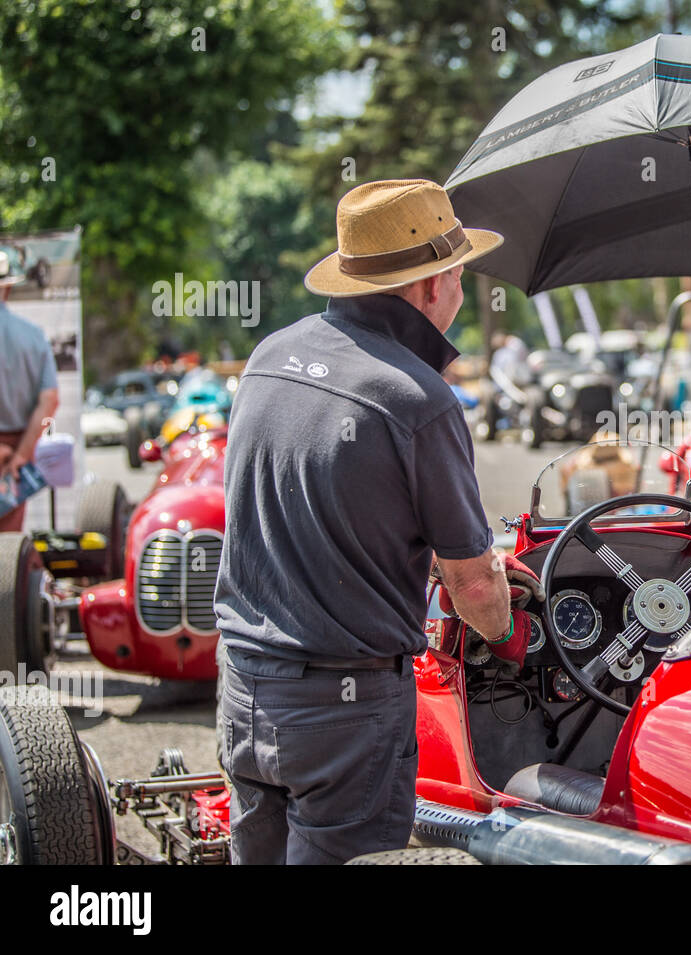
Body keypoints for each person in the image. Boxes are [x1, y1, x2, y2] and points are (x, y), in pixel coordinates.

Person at [214, 179, 538, 864]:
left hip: (244, 684)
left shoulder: (268, 357)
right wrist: (510, 636)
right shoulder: (419, 399)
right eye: (459, 274)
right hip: (344, 710)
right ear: (433, 285)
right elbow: (475, 588)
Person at [0, 247, 59, 532]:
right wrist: (21, 454)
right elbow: (49, 401)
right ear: (9, 287)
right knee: (7, 553)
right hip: (13, 453)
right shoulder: (32, 336)